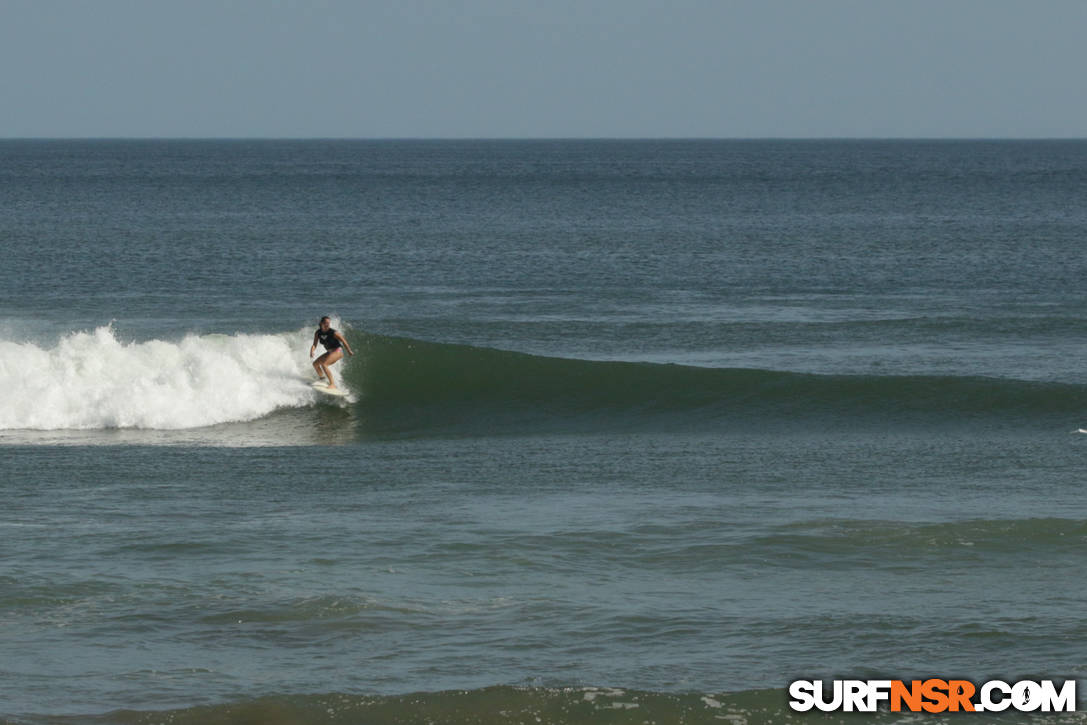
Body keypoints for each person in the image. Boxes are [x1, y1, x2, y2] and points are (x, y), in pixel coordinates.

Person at [310, 316, 354, 389]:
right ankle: (322, 378)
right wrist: (311, 351)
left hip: (337, 351)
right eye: (326, 323)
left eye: (329, 323)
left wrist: (349, 351)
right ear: (321, 323)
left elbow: (343, 340)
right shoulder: (318, 333)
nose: (328, 324)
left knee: (324, 364)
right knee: (315, 364)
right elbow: (314, 344)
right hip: (330, 352)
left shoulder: (333, 332)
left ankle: (332, 384)